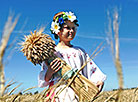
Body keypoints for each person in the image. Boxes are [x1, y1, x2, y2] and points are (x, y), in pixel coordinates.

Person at [38, 11, 106, 102]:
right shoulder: (52, 53)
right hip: (59, 93)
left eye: (74, 28)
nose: (71, 31)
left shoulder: (79, 51)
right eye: (67, 28)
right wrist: (49, 72)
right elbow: (45, 77)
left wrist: (99, 81)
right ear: (57, 30)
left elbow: (90, 68)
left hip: (79, 91)